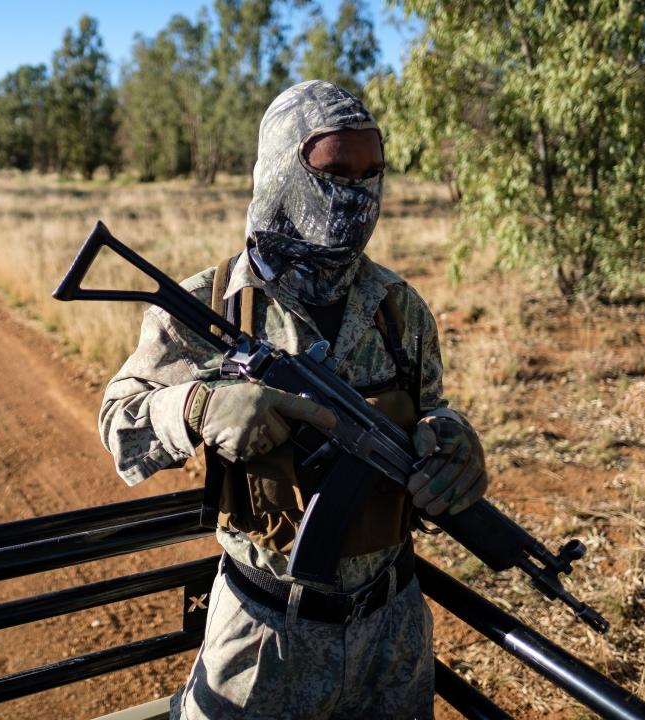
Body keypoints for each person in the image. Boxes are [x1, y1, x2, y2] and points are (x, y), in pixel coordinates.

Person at [99, 80, 488, 720]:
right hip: (262, 638)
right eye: (334, 170)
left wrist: (452, 436)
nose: (357, 193)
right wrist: (196, 409)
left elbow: (430, 411)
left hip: (394, 637)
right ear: (283, 167)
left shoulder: (397, 308)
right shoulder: (209, 305)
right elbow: (120, 423)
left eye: (372, 173)